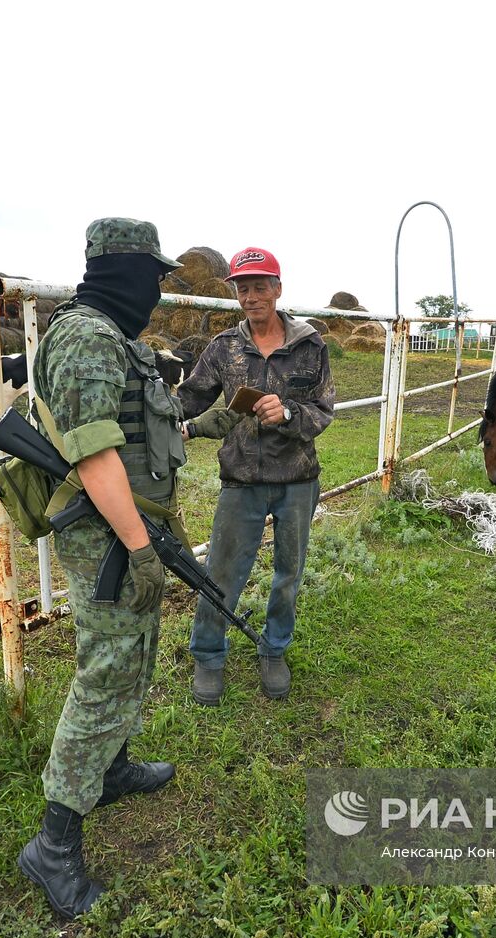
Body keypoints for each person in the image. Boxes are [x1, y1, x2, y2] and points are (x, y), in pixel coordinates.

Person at [17, 217, 185, 919]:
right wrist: (140, 548)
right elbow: (92, 456)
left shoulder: (112, 335)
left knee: (130, 653)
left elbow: (134, 428)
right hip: (109, 532)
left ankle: (108, 768)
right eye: (152, 276)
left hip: (128, 523)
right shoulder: (86, 336)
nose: (155, 291)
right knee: (108, 669)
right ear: (126, 272)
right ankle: (53, 847)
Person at [177, 247, 335, 705]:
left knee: (289, 572)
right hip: (241, 479)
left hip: (298, 479)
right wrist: (160, 419)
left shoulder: (310, 345)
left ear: (278, 289)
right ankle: (209, 654)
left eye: (259, 286)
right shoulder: (223, 348)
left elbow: (324, 411)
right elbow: (189, 399)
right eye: (242, 288)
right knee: (221, 571)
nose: (250, 296)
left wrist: (287, 412)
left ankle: (274, 648)